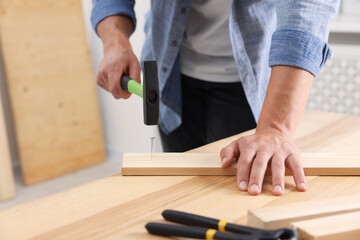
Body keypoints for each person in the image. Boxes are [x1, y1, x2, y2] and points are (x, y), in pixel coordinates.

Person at [91, 0, 340, 196]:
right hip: (172, 76)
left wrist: (275, 128)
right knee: (181, 192)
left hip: (248, 85)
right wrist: (115, 43)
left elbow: (306, 10)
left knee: (236, 195)